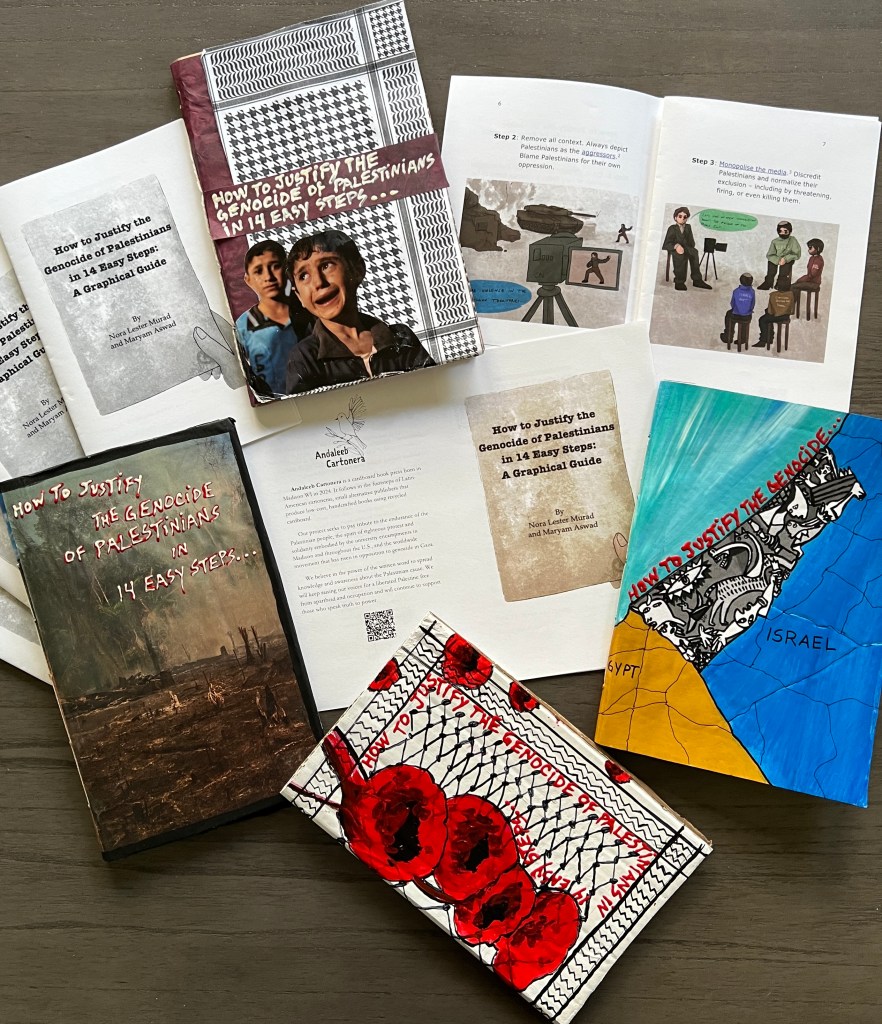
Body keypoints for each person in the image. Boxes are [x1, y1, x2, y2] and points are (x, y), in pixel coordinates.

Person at [284, 229, 435, 394]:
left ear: (357, 270)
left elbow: (434, 392)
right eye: (303, 276)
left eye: (326, 265)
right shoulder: (305, 358)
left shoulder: (400, 338)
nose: (318, 282)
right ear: (299, 296)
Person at [236, 240, 309, 395]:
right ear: (248, 280)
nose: (268, 277)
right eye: (258, 271)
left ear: (287, 268)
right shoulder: (242, 326)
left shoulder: (310, 310)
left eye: (275, 266)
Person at [662, 207, 712, 291]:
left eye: (685, 217)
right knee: (680, 256)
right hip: (675, 248)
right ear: (675, 217)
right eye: (680, 216)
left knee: (694, 252)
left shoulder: (688, 227)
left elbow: (692, 242)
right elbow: (666, 244)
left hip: (686, 247)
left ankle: (697, 280)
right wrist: (676, 246)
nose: (682, 218)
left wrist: (688, 247)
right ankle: (679, 281)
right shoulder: (672, 228)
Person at [758, 221, 801, 290]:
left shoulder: (793, 240)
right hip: (777, 258)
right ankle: (768, 282)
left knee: (784, 270)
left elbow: (797, 254)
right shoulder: (775, 241)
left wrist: (786, 259)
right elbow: (770, 254)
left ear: (790, 231)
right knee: (771, 267)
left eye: (785, 231)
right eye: (780, 231)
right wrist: (777, 260)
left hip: (788, 259)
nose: (782, 233)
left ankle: (780, 284)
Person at [720, 273, 756, 344]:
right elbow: (752, 304)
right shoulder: (752, 292)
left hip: (735, 315)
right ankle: (742, 339)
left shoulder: (736, 291)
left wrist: (737, 309)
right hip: (746, 316)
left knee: (728, 314)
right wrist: (747, 310)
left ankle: (728, 336)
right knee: (746, 319)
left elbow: (732, 303)